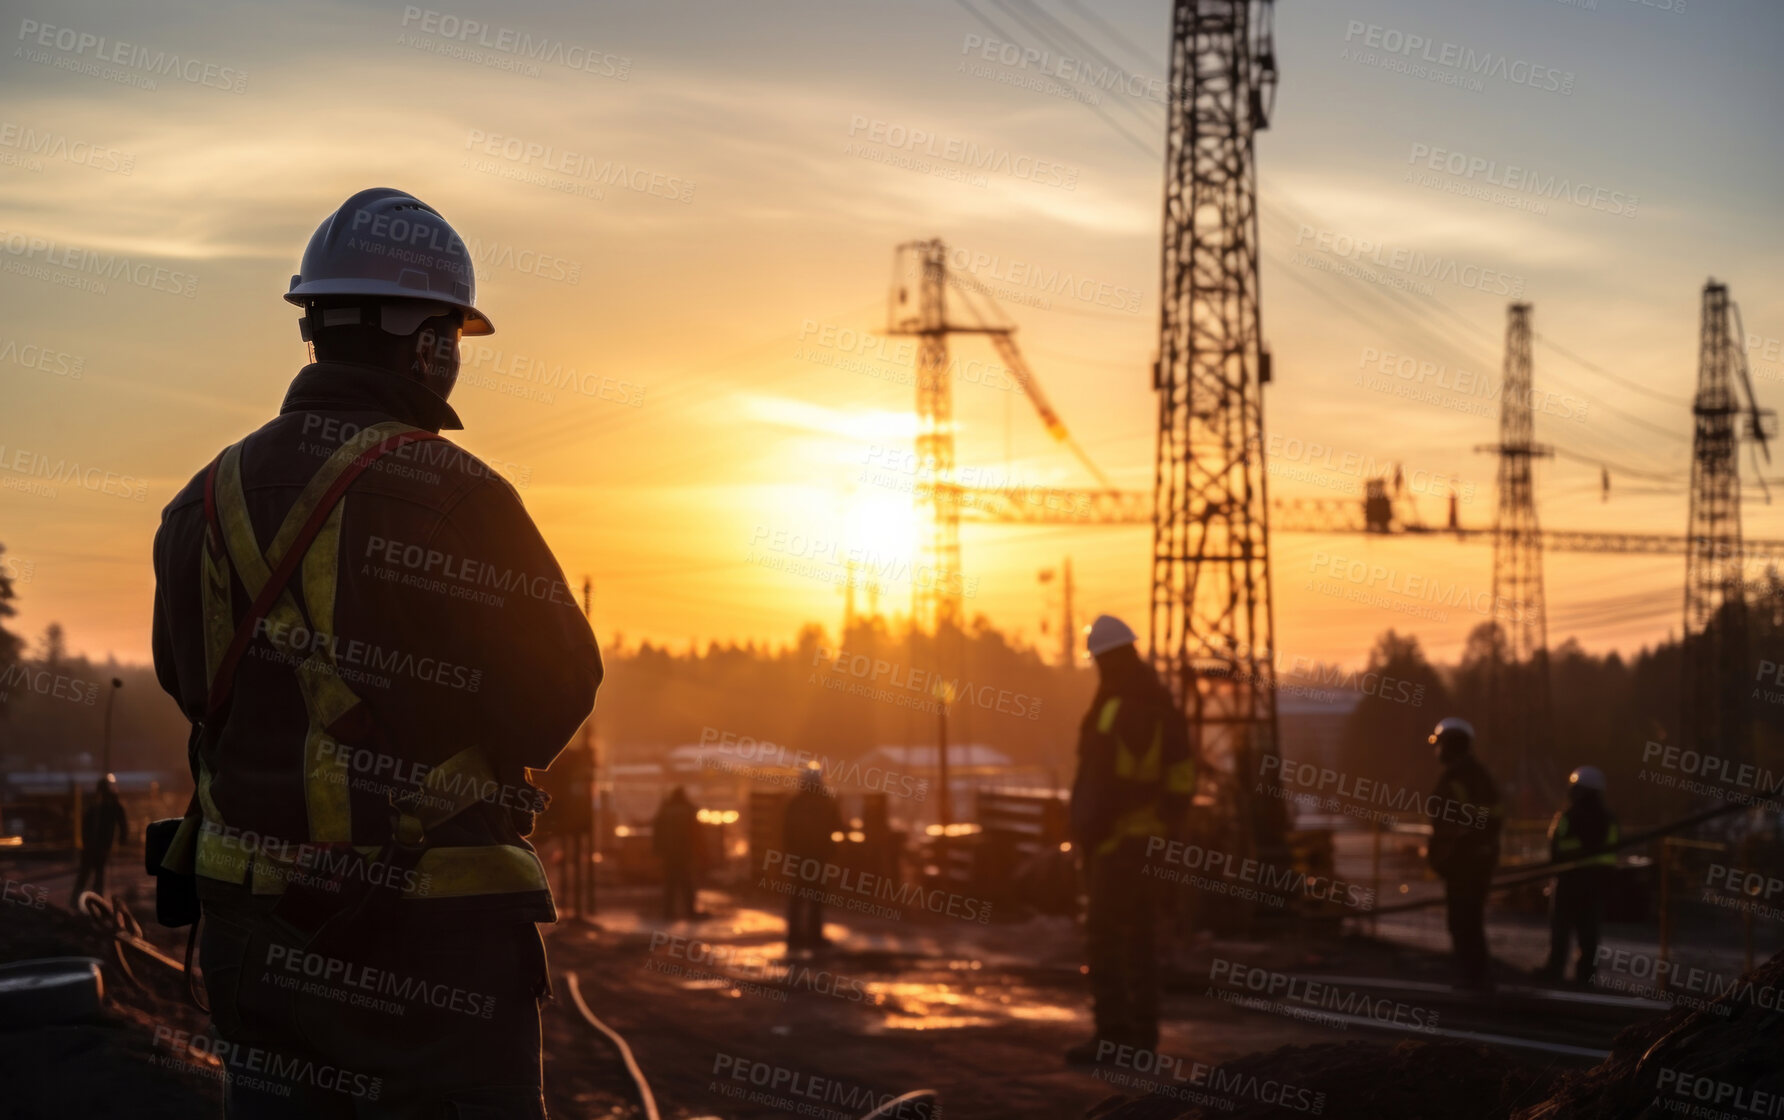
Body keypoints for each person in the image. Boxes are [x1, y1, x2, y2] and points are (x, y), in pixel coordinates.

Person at [150, 188, 601, 1118]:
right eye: (453, 338)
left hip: (255, 946)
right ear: (427, 342)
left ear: (312, 323)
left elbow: (190, 685)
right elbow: (555, 692)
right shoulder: (455, 495)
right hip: (431, 949)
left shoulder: (200, 500)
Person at [1065, 615, 1194, 1065]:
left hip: (1114, 847)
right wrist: (1163, 821)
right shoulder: (1164, 708)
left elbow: (1096, 784)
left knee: (1104, 938)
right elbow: (1181, 781)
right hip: (1153, 846)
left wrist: (1088, 832)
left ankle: (1112, 1038)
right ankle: (1142, 1039)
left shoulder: (1111, 710)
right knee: (1141, 940)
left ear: (1105, 659)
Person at [1426, 717, 1503, 992]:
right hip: (1468, 861)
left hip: (1466, 863)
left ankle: (1474, 979)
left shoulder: (1462, 778)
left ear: (1449, 745)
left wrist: (1457, 848)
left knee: (1464, 921)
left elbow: (1472, 821)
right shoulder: (1472, 774)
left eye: (1441, 744)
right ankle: (1474, 976)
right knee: (1466, 920)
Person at [1533, 766, 1618, 986]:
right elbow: (1612, 853)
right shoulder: (1610, 819)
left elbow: (1556, 848)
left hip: (1569, 882)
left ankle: (1555, 971)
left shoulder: (1568, 817)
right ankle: (1586, 977)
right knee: (1589, 933)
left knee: (1561, 930)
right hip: (1596, 883)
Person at [781, 764, 841, 950]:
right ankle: (814, 937)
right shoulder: (825, 802)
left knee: (798, 897)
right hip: (818, 857)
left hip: (800, 857)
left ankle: (794, 936)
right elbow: (836, 826)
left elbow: (786, 831)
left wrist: (788, 853)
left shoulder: (795, 802)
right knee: (816, 898)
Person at [70, 774, 128, 904]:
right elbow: (122, 823)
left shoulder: (99, 804)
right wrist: (122, 839)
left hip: (97, 844)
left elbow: (86, 823)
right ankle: (96, 901)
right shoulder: (110, 805)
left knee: (90, 873)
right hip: (99, 844)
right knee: (96, 874)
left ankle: (82, 900)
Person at [652, 787, 700, 920]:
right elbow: (696, 833)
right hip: (685, 853)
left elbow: (657, 832)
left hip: (669, 854)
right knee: (687, 884)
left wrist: (657, 851)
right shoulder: (688, 811)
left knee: (670, 884)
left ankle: (668, 912)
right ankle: (690, 912)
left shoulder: (665, 812)